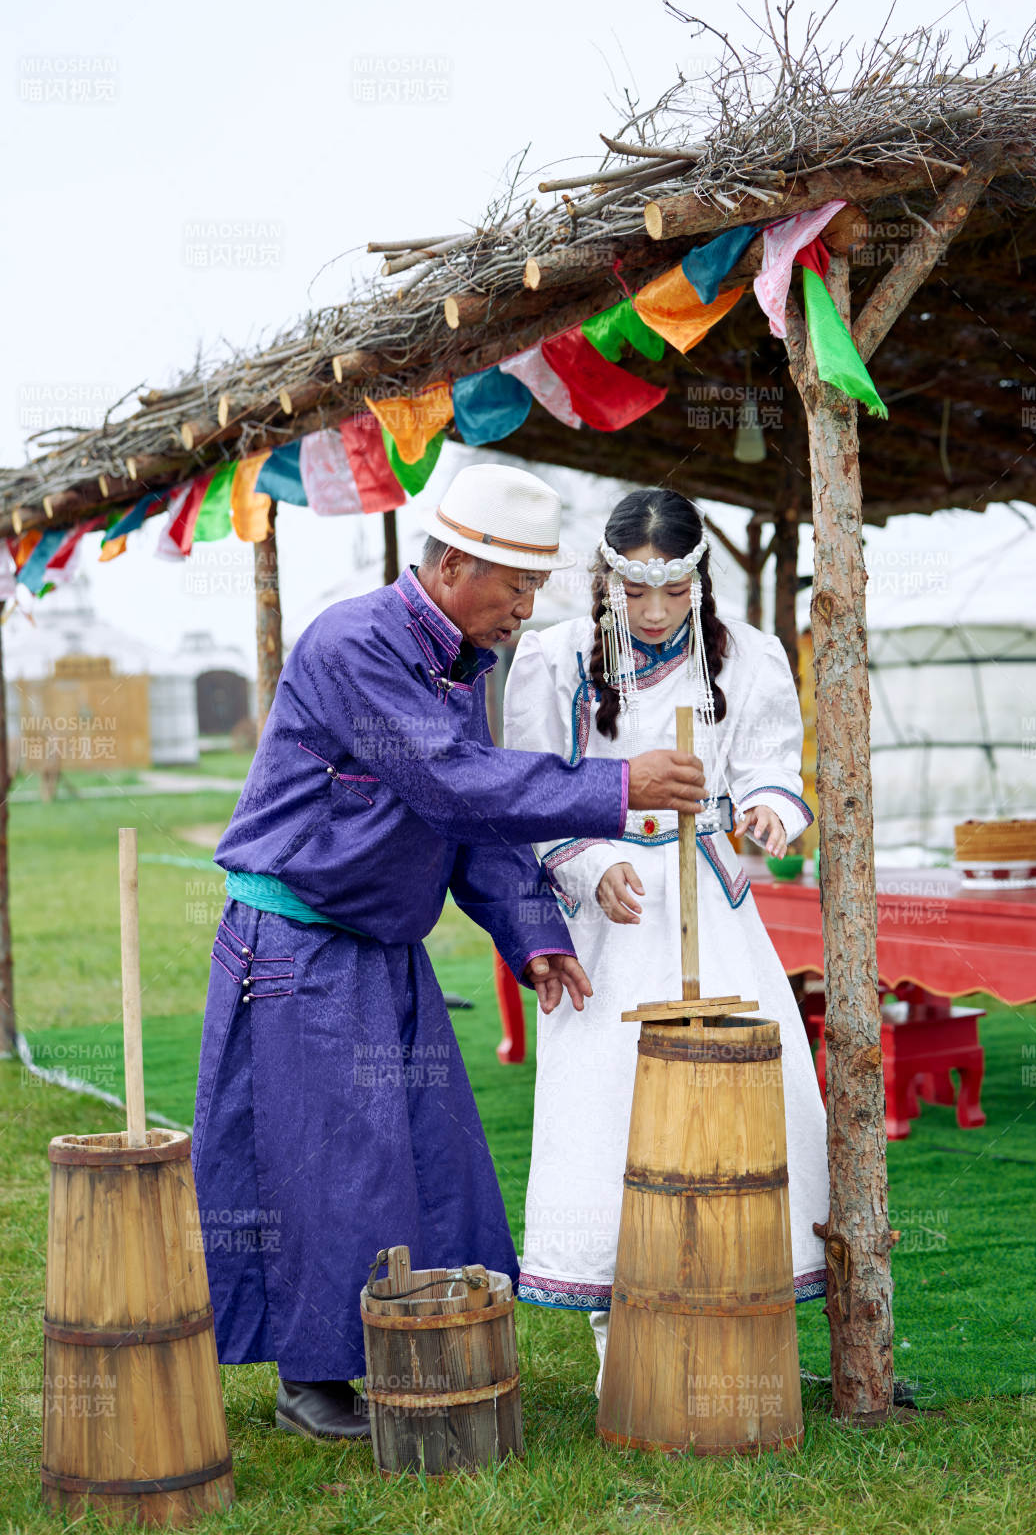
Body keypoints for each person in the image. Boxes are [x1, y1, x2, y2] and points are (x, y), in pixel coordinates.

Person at [191, 463, 707, 1440]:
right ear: (456, 563)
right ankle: (314, 1379)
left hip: (379, 945)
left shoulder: (454, 663)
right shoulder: (356, 644)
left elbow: (469, 827)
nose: (525, 606)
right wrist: (616, 782)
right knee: (327, 1168)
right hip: (296, 945)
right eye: (515, 583)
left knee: (426, 1159)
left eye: (535, 585)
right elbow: (453, 781)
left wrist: (533, 931)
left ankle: (408, 1344)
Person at [502, 486, 830, 1396]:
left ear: (698, 581)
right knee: (614, 1114)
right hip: (611, 916)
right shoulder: (553, 656)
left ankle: (747, 1309)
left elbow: (771, 766)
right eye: (632, 593)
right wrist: (583, 861)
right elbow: (528, 787)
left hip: (714, 913)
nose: (651, 614)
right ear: (605, 581)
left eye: (671, 593)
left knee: (751, 1101)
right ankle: (630, 1354)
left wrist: (767, 809)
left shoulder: (751, 657)